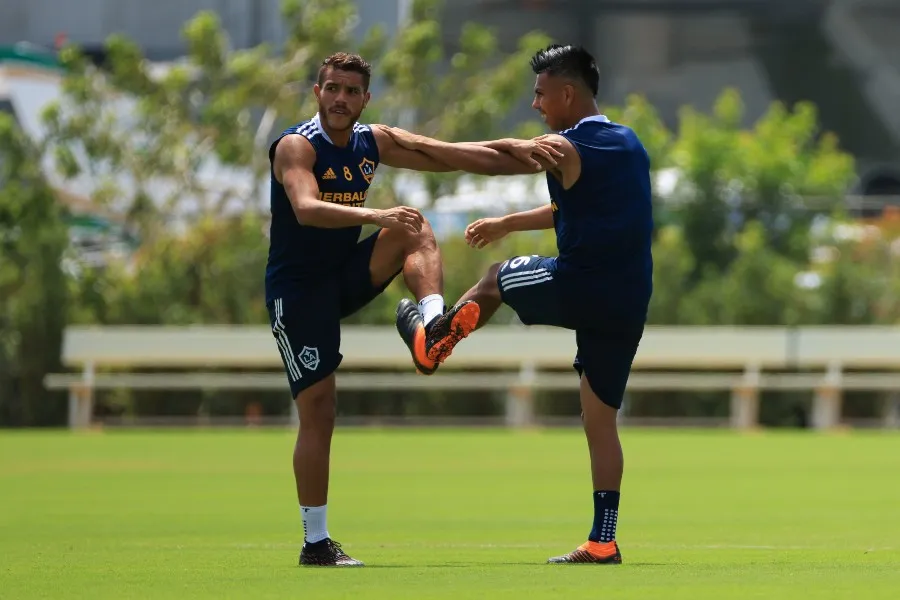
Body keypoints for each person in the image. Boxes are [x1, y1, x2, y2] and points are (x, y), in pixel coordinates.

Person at [266, 52, 559, 567]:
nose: (340, 99)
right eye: (332, 88)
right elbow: (306, 209)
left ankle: (431, 328)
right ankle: (315, 543)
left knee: (413, 225)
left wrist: (516, 149)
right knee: (320, 411)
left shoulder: (371, 140)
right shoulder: (297, 145)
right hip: (299, 293)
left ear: (365, 99)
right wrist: (376, 213)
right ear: (317, 93)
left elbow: (447, 154)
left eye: (351, 91)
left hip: (344, 276)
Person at [385, 43, 653, 565]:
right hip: (627, 299)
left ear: (567, 94)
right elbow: (577, 206)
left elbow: (495, 158)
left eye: (540, 94)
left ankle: (432, 344)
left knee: (495, 280)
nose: (535, 104)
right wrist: (508, 222)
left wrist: (413, 144)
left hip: (582, 283)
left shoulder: (565, 146)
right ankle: (603, 541)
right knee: (600, 420)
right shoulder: (627, 143)